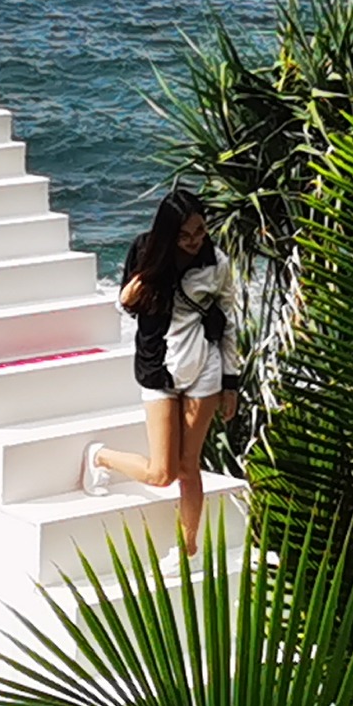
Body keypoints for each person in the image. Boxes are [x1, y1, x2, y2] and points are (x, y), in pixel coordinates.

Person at [80, 186, 236, 552]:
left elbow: (228, 322)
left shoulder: (216, 263)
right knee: (162, 473)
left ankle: (189, 549)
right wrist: (143, 281)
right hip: (158, 367)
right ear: (169, 233)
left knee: (189, 466)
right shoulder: (145, 251)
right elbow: (126, 305)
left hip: (204, 367)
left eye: (200, 231)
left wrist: (230, 383)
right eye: (185, 235)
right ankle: (100, 457)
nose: (195, 240)